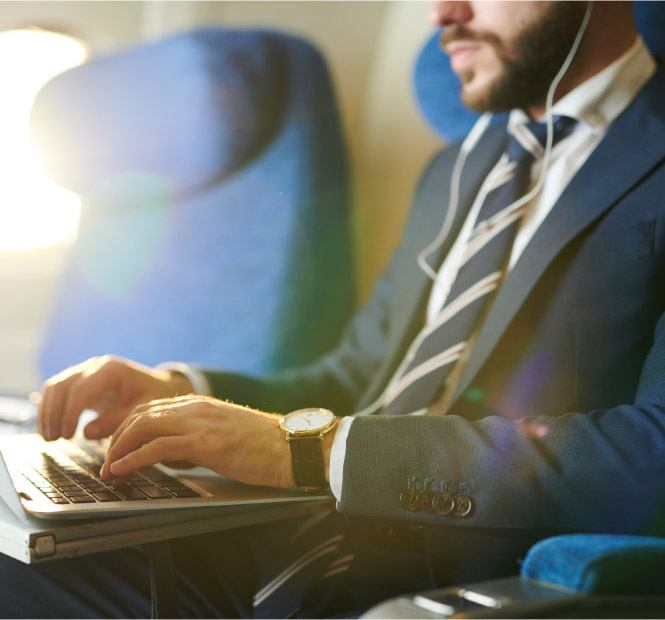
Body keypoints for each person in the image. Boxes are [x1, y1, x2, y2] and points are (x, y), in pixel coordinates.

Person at [3, 0, 665, 617]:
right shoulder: (460, 169)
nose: (443, 13)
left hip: (453, 568)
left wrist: (311, 453)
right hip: (296, 533)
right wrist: (180, 393)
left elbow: (651, 447)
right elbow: (355, 378)